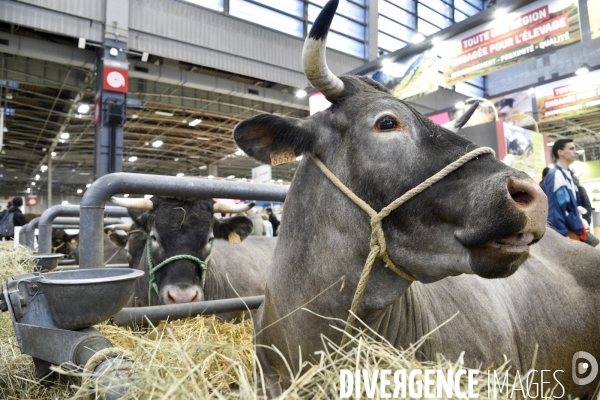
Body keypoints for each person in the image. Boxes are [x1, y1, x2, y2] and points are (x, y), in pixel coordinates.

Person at [542, 139, 585, 241]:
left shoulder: (568, 174)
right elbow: (553, 209)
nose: (575, 151)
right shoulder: (555, 175)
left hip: (574, 229)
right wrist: (563, 235)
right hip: (565, 233)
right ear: (560, 152)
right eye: (571, 148)